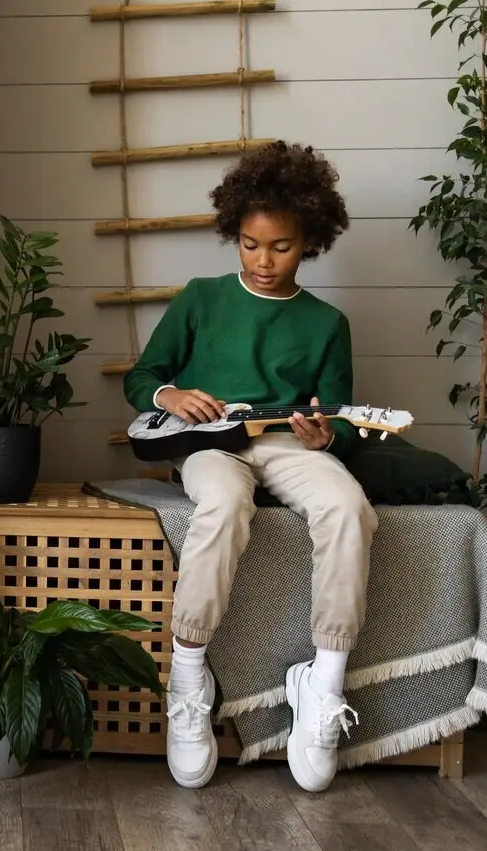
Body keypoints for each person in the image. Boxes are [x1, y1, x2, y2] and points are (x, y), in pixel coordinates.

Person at [122, 141, 375, 793]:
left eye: (281, 247)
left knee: (349, 507)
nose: (263, 262)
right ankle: (188, 674)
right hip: (209, 444)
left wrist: (326, 436)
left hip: (287, 446)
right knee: (224, 504)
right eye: (249, 244)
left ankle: (323, 684)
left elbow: (340, 416)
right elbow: (144, 376)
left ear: (311, 241)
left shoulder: (326, 323)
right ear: (234, 234)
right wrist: (171, 395)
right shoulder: (200, 299)